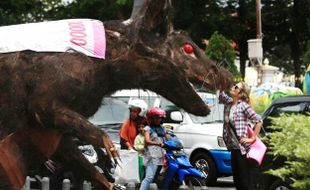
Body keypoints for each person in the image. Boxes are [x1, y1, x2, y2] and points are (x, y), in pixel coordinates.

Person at [219, 81, 263, 190]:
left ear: (241, 93)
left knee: (245, 183)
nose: (233, 87)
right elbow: (220, 93)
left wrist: (252, 138)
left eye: (236, 87)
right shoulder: (228, 103)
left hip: (242, 150)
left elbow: (259, 120)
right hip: (233, 149)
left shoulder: (243, 106)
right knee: (237, 182)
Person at [139, 107, 167, 190]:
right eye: (156, 118)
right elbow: (147, 141)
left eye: (160, 118)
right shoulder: (148, 129)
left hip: (161, 156)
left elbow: (167, 138)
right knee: (149, 178)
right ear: (151, 118)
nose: (158, 120)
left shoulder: (162, 128)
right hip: (151, 157)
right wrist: (157, 143)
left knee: (157, 178)